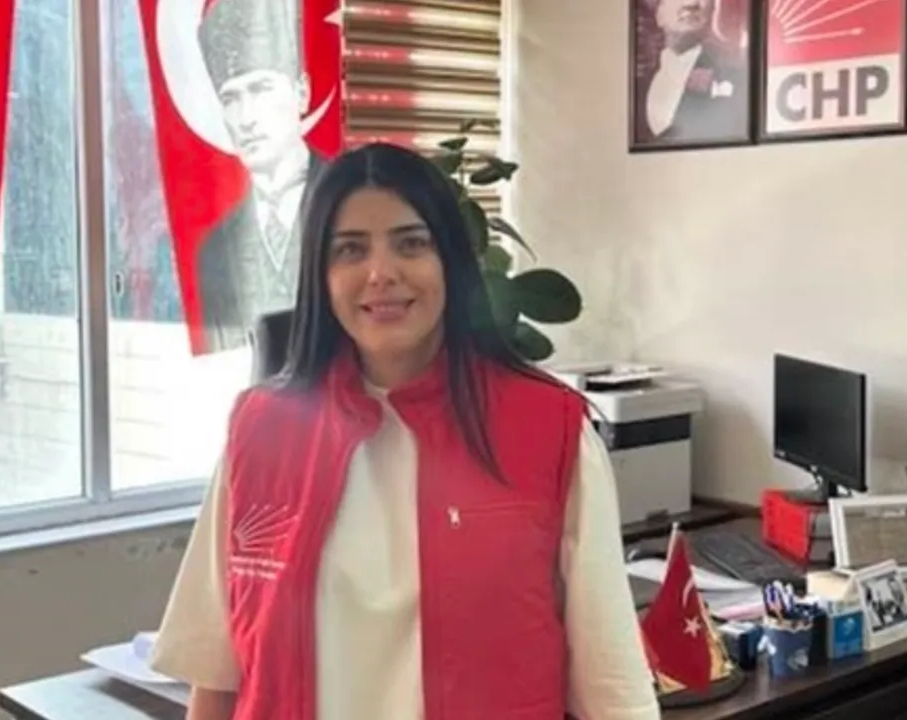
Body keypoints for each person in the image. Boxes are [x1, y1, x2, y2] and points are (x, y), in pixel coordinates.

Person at [151, 143, 660, 719]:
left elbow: (614, 693)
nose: (381, 273)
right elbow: (215, 672)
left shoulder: (549, 430)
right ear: (321, 275)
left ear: (450, 261)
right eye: (350, 249)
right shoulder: (261, 430)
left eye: (411, 243)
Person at [193, 0, 327, 353]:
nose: (246, 118)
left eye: (261, 89)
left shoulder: (351, 203)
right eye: (230, 99)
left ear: (302, 93)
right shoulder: (216, 250)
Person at [636, 0, 747, 144]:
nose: (691, 3)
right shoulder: (634, 84)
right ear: (658, 14)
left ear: (713, 7)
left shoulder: (737, 73)